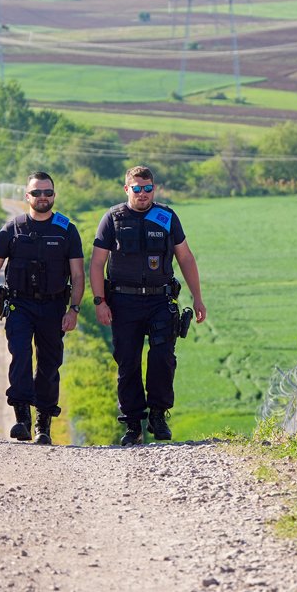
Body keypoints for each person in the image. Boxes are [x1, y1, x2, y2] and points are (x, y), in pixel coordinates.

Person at [90, 166, 206, 446]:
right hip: (123, 301)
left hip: (159, 299)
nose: (143, 194)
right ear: (127, 189)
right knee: (127, 362)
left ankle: (158, 414)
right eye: (137, 188)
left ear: (154, 188)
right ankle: (133, 424)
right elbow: (96, 263)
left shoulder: (166, 217)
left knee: (163, 358)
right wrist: (99, 301)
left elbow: (186, 258)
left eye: (148, 188)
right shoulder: (113, 218)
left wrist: (198, 298)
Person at [0, 172, 84, 445]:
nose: (42, 198)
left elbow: (78, 275)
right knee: (21, 358)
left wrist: (73, 309)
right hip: (20, 305)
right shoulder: (12, 229)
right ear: (26, 196)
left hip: (53, 306)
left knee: (49, 365)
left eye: (47, 193)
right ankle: (22, 419)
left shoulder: (66, 230)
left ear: (54, 195)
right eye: (36, 193)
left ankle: (44, 424)